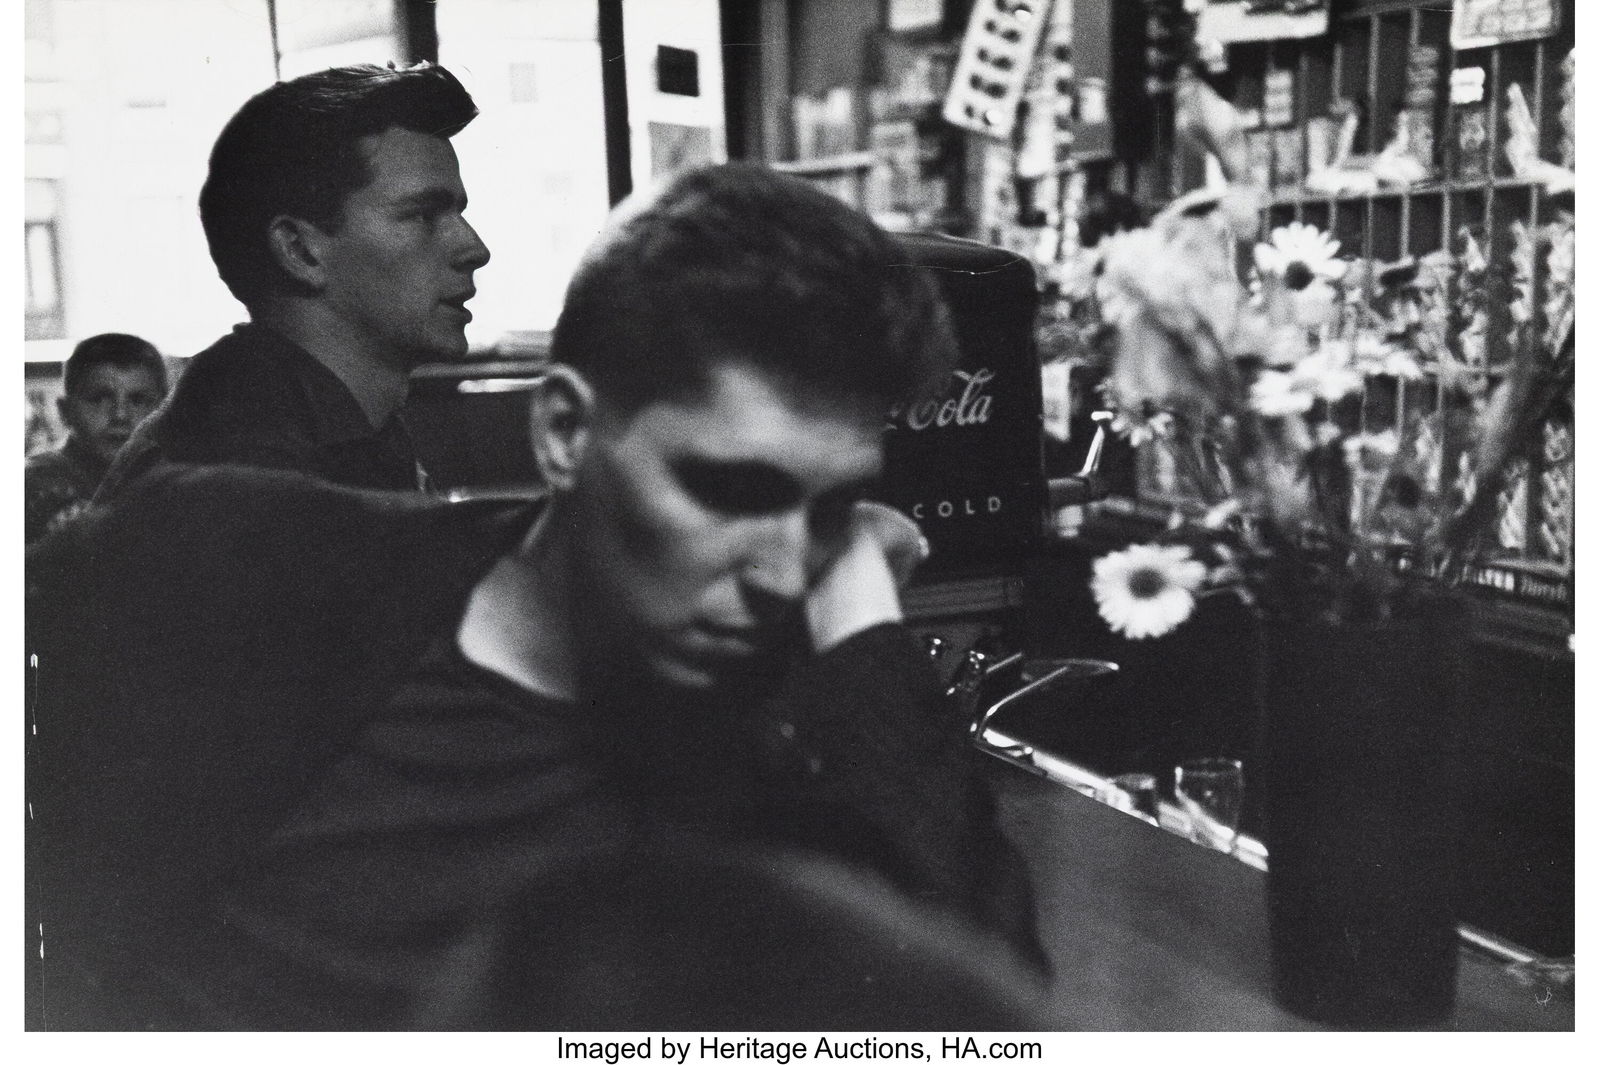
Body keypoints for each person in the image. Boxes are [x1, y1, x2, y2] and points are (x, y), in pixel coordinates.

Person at [28, 163, 1044, 1030]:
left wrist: (863, 620)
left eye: (831, 505)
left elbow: (988, 1014)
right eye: (728, 488)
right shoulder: (268, 559)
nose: (782, 571)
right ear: (563, 432)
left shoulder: (772, 709)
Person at [94, 62, 491, 499]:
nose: (474, 249)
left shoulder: (328, 421)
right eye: (423, 215)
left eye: (459, 213)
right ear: (299, 251)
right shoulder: (246, 469)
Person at [25, 333, 168, 543]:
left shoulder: (178, 480)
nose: (120, 415)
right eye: (99, 399)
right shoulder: (30, 485)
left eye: (138, 400)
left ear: (164, 411)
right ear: (65, 411)